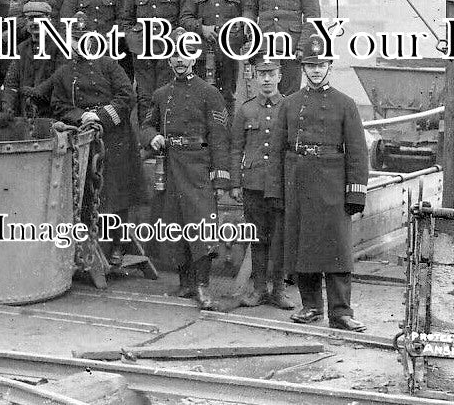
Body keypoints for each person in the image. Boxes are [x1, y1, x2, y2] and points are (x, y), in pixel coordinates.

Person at [274, 34, 368, 331]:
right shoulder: (289, 105)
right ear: (303, 67)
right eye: (310, 65)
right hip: (299, 181)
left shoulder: (346, 104)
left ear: (330, 66)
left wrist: (356, 193)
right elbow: (277, 151)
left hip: (333, 185)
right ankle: (311, 306)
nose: (316, 70)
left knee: (337, 250)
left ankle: (341, 312)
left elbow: (357, 152)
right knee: (304, 248)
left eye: (321, 64)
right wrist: (276, 191)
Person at [141, 30, 231, 310]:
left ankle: (203, 287)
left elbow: (219, 136)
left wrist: (220, 175)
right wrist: (151, 136)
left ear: (195, 57)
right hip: (171, 165)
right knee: (175, 223)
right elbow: (146, 125)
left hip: (198, 166)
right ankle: (186, 283)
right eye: (175, 55)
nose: (180, 60)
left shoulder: (209, 92)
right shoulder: (161, 94)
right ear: (169, 60)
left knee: (201, 224)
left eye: (185, 54)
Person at [48, 23, 140, 265]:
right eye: (74, 39)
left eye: (83, 39)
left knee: (116, 193)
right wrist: (82, 116)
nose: (79, 44)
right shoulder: (63, 72)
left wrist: (100, 115)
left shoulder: (109, 65)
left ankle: (118, 244)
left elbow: (126, 96)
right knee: (86, 192)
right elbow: (58, 105)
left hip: (115, 138)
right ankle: (90, 246)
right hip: (83, 137)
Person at [230, 56, 293, 308]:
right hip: (253, 185)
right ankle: (258, 290)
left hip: (279, 185)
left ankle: (278, 290)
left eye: (271, 74)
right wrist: (235, 182)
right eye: (261, 74)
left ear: (279, 76)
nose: (266, 79)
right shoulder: (245, 109)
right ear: (255, 77)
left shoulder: (289, 106)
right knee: (256, 238)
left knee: (279, 239)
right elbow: (236, 149)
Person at [120, 0, 187, 122]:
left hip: (168, 50)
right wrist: (134, 41)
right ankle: (146, 140)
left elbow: (184, 18)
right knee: (145, 96)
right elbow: (126, 20)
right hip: (143, 52)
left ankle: (166, 137)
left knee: (168, 93)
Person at [179, 0, 246, 117]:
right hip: (202, 54)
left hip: (229, 54)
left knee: (228, 97)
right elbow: (185, 18)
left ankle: (227, 139)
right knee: (201, 96)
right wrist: (202, 29)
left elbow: (248, 23)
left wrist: (235, 38)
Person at [0, 1, 62, 123]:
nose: (34, 23)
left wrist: (38, 91)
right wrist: (7, 107)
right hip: (26, 112)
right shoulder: (21, 48)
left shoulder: (59, 46)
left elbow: (60, 77)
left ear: (49, 20)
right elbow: (11, 82)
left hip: (52, 111)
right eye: (31, 19)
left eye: (39, 18)